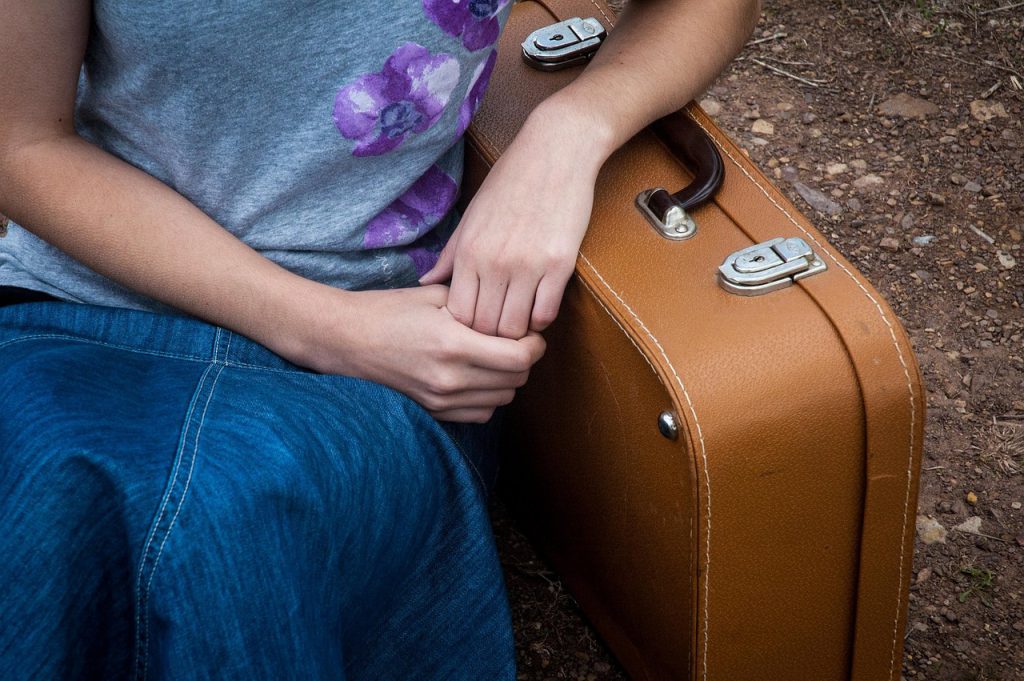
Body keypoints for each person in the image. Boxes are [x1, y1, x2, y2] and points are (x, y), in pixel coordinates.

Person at [0, 0, 760, 678]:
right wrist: (322, 327)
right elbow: (21, 142)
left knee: (229, 529)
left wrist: (567, 132)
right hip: (88, 313)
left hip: (386, 358)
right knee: (59, 511)